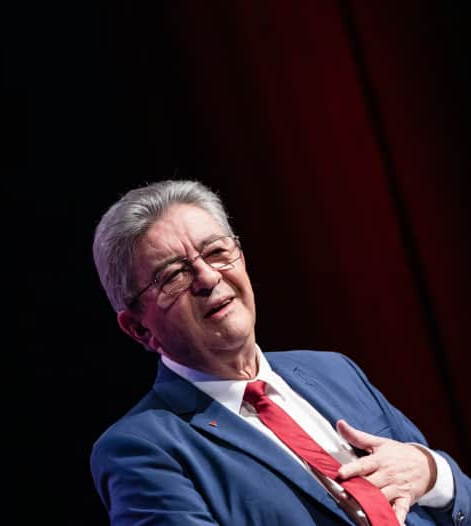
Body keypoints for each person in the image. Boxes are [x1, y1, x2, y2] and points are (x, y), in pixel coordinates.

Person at [90, 179, 470, 526]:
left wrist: (434, 474)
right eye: (175, 275)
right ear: (139, 328)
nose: (208, 277)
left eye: (217, 252)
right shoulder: (141, 450)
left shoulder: (334, 370)